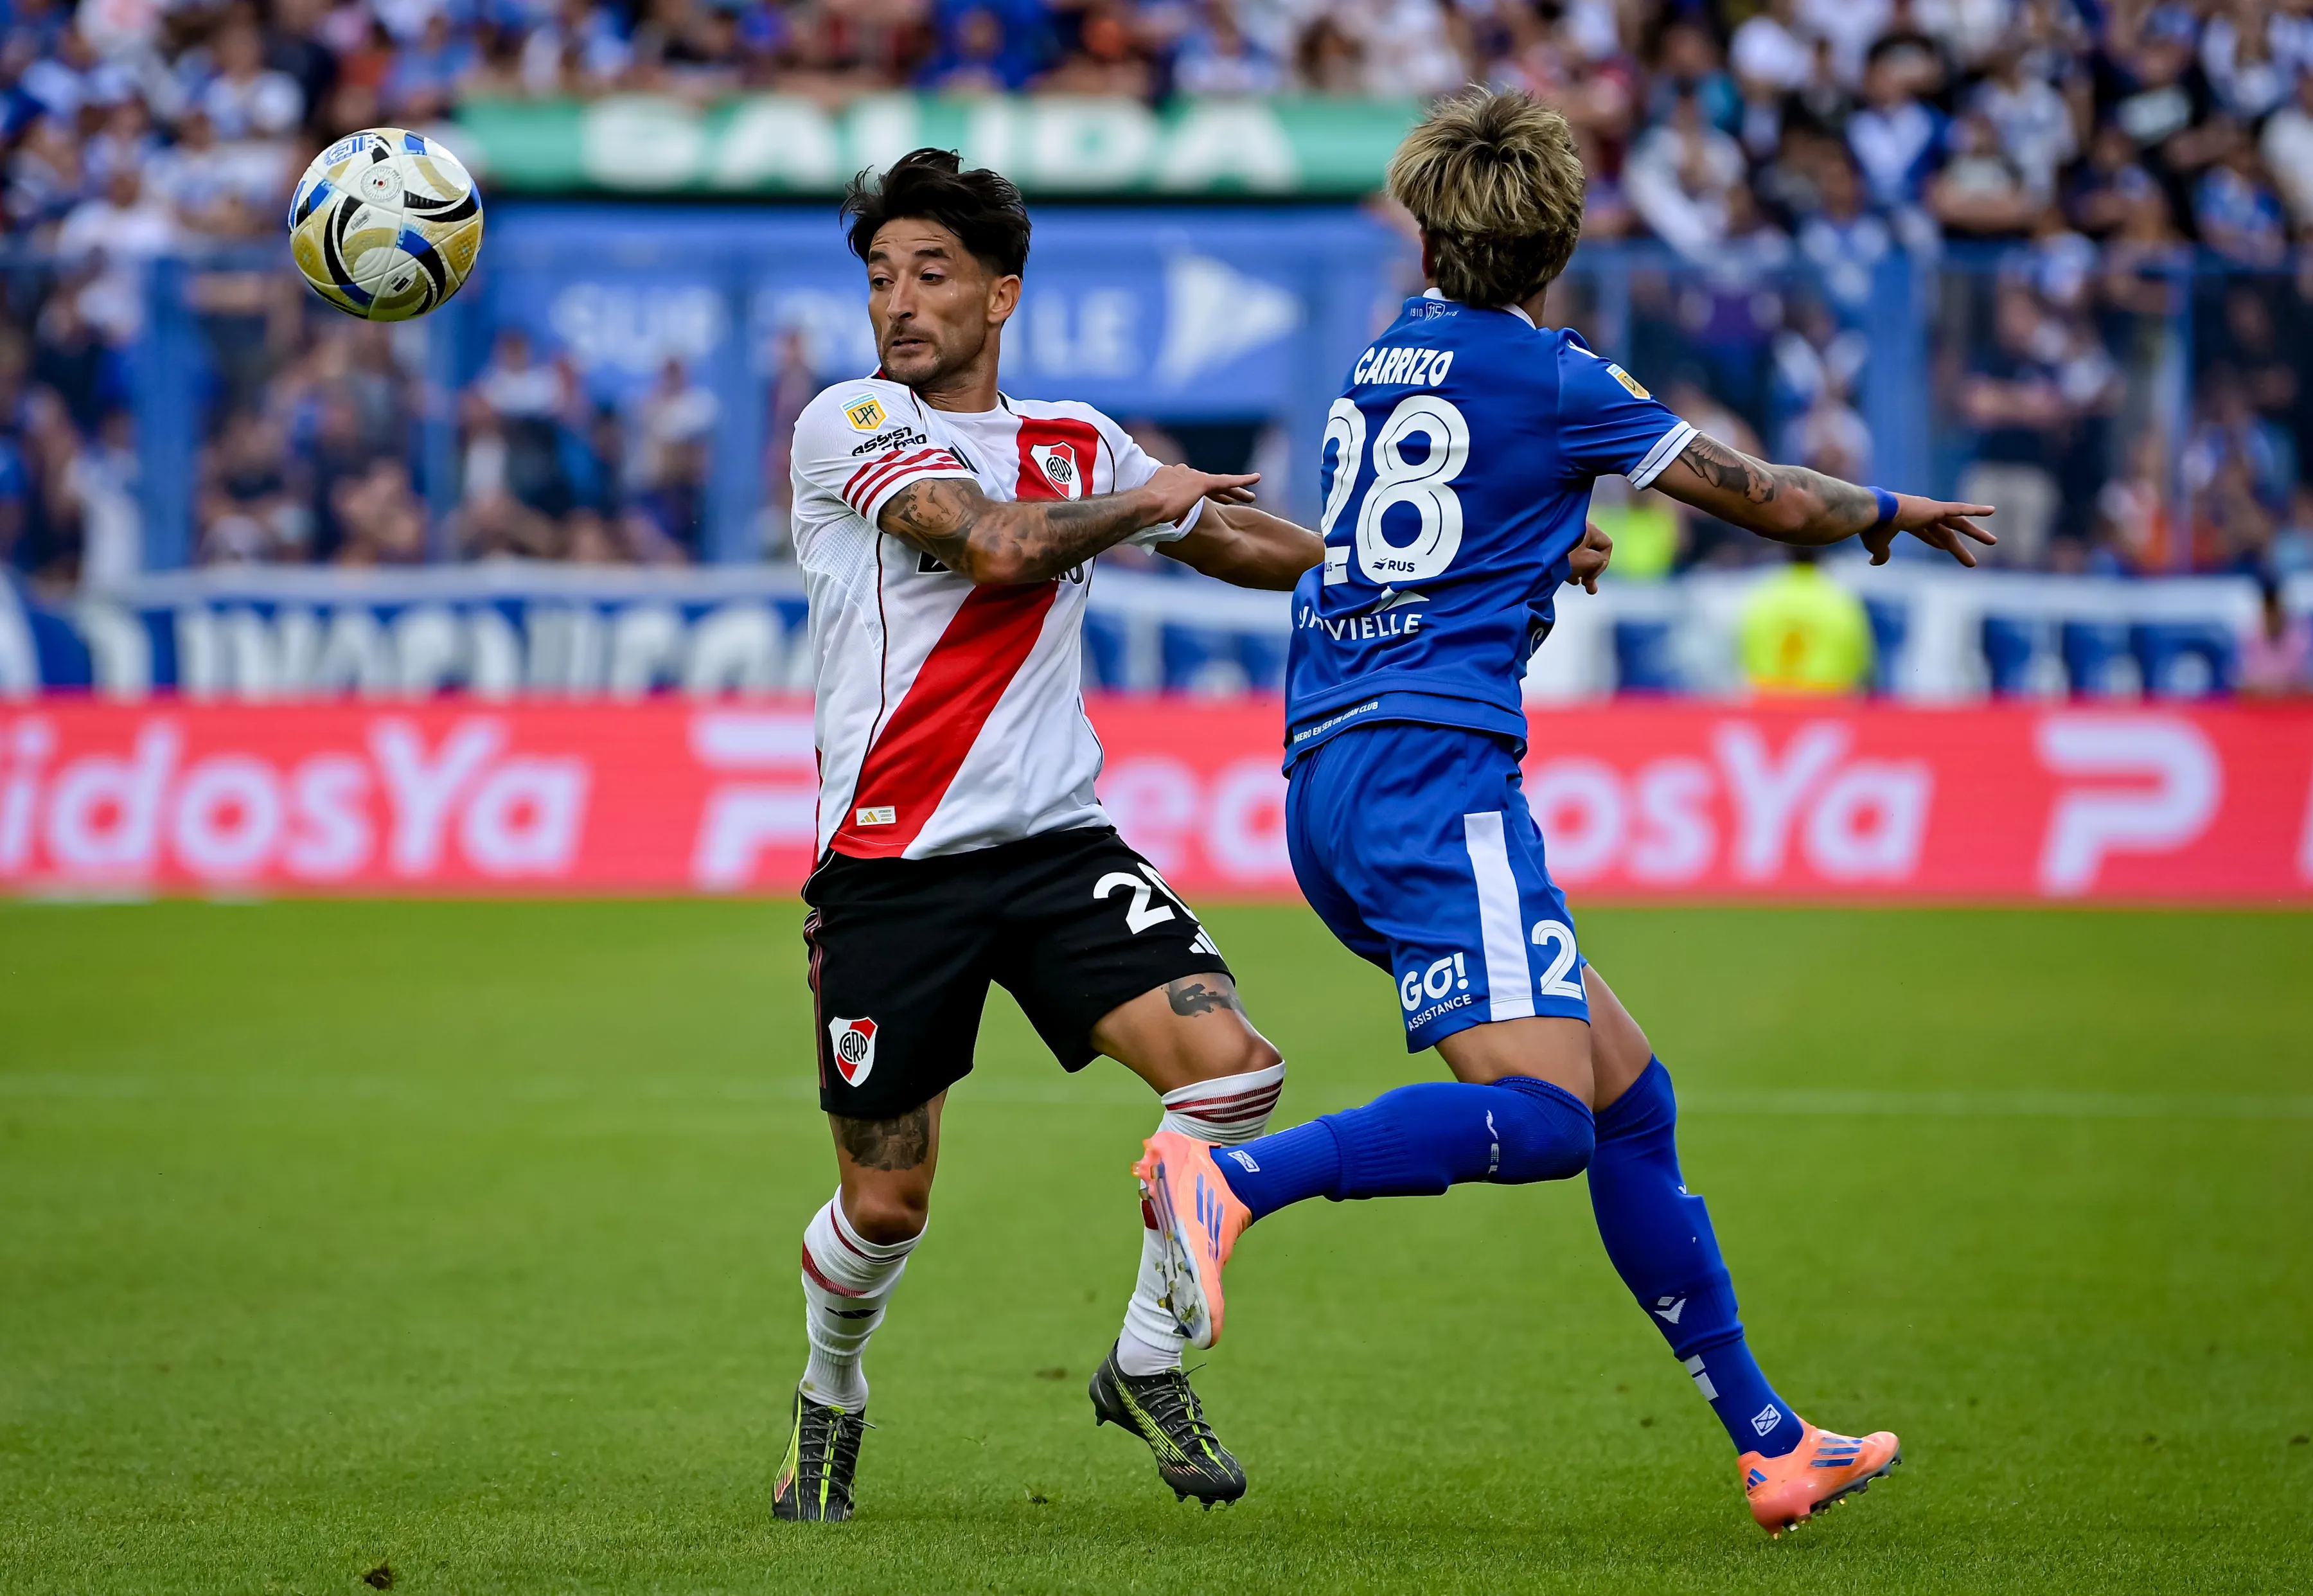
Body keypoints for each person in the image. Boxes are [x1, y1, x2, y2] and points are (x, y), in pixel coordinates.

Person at [1134, 89, 1996, 1539]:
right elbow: (1767, 497)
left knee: (1628, 1103)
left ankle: (1773, 1442)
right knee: (1541, 1121)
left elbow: (1411, 522)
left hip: (1334, 766)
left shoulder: (1379, 360)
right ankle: (1233, 1184)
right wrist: (1884, 508)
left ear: (1427, 228)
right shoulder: (1553, 372)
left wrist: (1544, 535)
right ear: (1559, 248)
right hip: (1432, 776)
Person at [770, 148, 1331, 1522]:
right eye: (881, 277)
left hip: (1058, 851)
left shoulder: (1077, 436)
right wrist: (1150, 499)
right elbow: (999, 546)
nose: (899, 302)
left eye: (933, 274)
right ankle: (830, 1394)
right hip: (894, 871)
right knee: (888, 1207)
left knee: (1233, 1075)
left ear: (1001, 294)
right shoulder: (848, 423)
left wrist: (1419, 566)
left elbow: (1240, 543)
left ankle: (1147, 1359)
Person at [1737, 546, 1875, 692]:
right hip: (1826, 699)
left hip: (1771, 698)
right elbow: (1861, 657)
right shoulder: (1838, 599)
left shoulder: (1765, 596)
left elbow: (1746, 648)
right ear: (1822, 559)